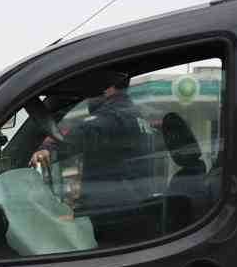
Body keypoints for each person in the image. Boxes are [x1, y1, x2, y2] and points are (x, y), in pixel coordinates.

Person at [28, 71, 157, 231]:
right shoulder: (136, 116)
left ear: (109, 87)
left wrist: (46, 150)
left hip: (112, 215)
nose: (90, 97)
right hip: (132, 209)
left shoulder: (112, 117)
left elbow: (81, 134)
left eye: (93, 88)